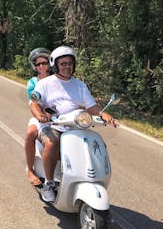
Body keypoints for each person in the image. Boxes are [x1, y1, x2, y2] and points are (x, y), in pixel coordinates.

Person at [30, 45, 117, 203]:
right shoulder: (45, 83)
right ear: (55, 65)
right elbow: (34, 103)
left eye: (70, 63)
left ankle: (92, 178)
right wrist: (40, 115)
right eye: (63, 64)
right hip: (53, 126)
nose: (67, 67)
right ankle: (49, 184)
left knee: (98, 145)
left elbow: (91, 107)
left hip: (76, 126)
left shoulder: (80, 85)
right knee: (52, 142)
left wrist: (103, 114)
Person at [24, 48, 52, 186]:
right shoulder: (33, 82)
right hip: (40, 117)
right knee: (30, 134)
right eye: (38, 64)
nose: (41, 66)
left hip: (60, 119)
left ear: (50, 63)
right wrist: (41, 115)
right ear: (34, 66)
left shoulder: (57, 79)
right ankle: (30, 169)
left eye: (44, 63)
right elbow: (33, 103)